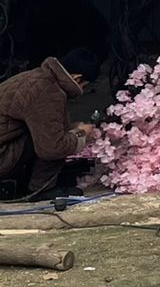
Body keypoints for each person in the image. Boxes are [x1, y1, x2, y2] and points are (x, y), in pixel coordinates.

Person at [0, 57, 94, 201]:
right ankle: (41, 190)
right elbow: (52, 148)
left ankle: (27, 183)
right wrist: (81, 134)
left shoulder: (35, 77)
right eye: (84, 86)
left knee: (53, 130)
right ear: (77, 78)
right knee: (57, 138)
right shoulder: (49, 91)